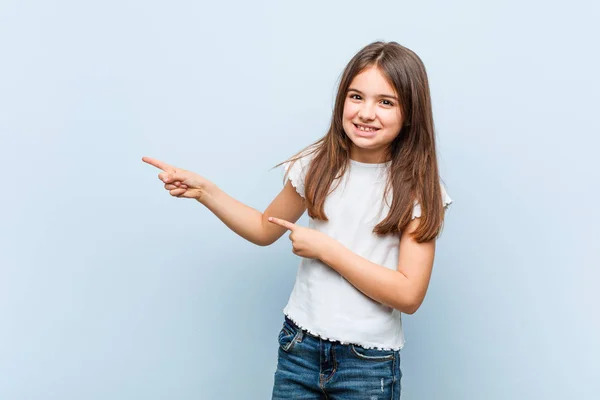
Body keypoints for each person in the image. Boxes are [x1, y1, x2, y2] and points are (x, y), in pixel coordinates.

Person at [142, 41, 452, 399]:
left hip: (368, 363)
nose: (367, 113)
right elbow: (263, 229)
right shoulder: (317, 164)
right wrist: (206, 191)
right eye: (356, 97)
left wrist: (327, 250)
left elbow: (409, 295)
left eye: (386, 102)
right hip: (298, 347)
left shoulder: (419, 191)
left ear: (410, 112)